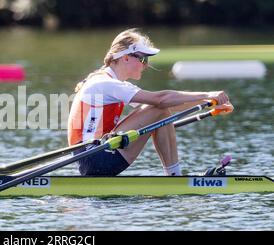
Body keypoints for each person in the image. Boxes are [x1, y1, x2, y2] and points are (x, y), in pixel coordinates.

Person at [67, 28, 233, 176]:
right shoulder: (106, 84)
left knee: (162, 111)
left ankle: (174, 177)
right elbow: (160, 100)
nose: (145, 65)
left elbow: (170, 104)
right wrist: (207, 93)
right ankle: (174, 177)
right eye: (143, 59)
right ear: (125, 58)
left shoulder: (114, 84)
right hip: (94, 158)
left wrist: (210, 102)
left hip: (98, 154)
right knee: (160, 109)